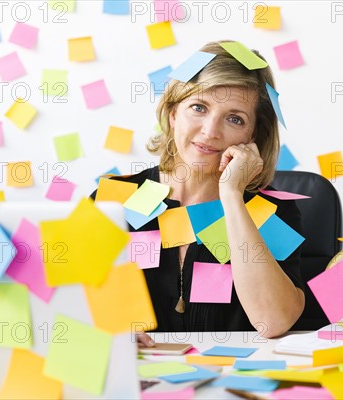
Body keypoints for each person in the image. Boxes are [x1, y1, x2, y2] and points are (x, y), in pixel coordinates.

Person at [91, 41, 305, 342]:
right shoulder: (112, 200)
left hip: (233, 382)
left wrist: (232, 196)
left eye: (235, 119)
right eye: (199, 107)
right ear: (173, 112)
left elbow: (273, 322)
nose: (210, 131)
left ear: (252, 135)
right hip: (139, 379)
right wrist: (109, 331)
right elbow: (70, 309)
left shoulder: (272, 212)